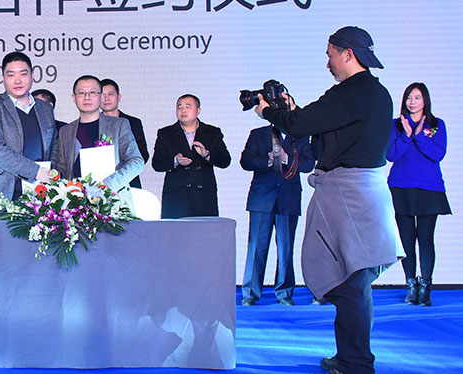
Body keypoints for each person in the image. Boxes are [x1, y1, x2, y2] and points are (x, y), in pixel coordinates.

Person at [255, 26, 403, 374]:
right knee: (355, 279)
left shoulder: (351, 92)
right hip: (363, 193)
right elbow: (320, 125)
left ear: (348, 54)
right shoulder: (375, 93)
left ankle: (356, 362)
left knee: (351, 282)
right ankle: (352, 357)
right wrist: (293, 112)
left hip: (350, 196)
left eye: (330, 55)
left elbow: (301, 124)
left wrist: (268, 113)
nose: (328, 63)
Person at [239, 110, 316, 306]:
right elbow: (245, 161)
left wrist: (286, 159)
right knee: (256, 246)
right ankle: (250, 292)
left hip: (288, 198)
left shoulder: (300, 136)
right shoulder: (258, 134)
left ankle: (284, 292)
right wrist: (268, 161)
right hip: (262, 198)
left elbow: (308, 164)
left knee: (285, 247)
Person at [386, 82, 451, 306]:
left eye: (417, 98)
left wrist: (419, 136)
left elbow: (438, 154)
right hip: (401, 186)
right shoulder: (396, 124)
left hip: (429, 187)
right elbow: (391, 155)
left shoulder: (436, 125)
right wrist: (406, 136)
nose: (412, 102)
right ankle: (411, 286)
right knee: (406, 240)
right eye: (409, 98)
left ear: (425, 101)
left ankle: (426, 287)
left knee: (425, 238)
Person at [0, 52, 58, 220]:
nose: (18, 80)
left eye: (23, 74)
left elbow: (54, 145)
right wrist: (36, 171)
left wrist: (53, 173)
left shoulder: (45, 108)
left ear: (32, 75)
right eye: (11, 75)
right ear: (3, 78)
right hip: (2, 195)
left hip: (40, 195)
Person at [54, 76, 143, 209]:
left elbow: (136, 161)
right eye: (81, 93)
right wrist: (55, 175)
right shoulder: (65, 131)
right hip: (76, 206)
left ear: (100, 96)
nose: (87, 97)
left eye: (92, 92)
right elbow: (63, 167)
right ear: (74, 98)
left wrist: (109, 184)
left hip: (112, 202)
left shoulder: (118, 125)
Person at [150, 94, 230, 218]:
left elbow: (225, 161)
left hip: (203, 197)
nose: (183, 110)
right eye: (179, 107)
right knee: (175, 230)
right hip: (176, 198)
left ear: (198, 110)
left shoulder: (212, 132)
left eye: (188, 107)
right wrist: (175, 161)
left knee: (204, 230)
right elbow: (157, 164)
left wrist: (207, 155)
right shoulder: (166, 133)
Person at [100, 78, 150, 188]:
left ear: (119, 97)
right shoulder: (93, 123)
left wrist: (121, 169)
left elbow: (143, 154)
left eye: (110, 94)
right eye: (102, 95)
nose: (106, 98)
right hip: (100, 182)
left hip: (128, 181)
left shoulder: (133, 122)